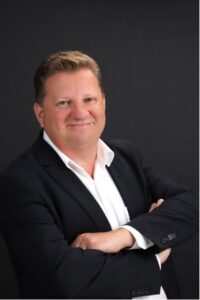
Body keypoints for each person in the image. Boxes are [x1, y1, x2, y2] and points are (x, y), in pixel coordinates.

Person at [0, 50, 197, 299]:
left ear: (103, 102)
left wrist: (123, 236)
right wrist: (154, 257)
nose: (80, 113)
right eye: (64, 103)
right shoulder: (20, 183)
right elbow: (62, 279)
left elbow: (190, 204)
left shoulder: (125, 155)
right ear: (40, 114)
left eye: (89, 99)